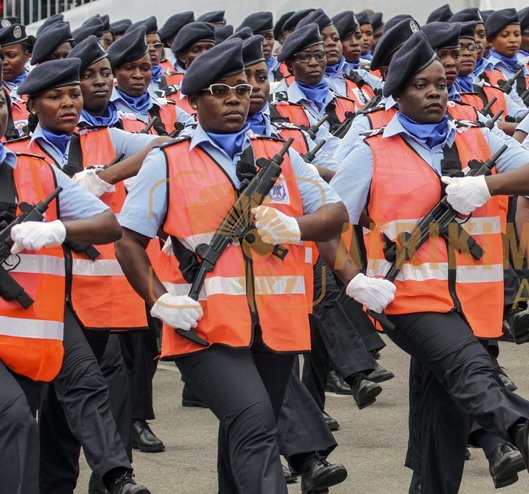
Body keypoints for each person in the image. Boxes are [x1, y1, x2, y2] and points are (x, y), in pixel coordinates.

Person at [327, 30, 529, 494]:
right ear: (397, 93)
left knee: (446, 416)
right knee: (468, 367)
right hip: (407, 297)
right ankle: (519, 424)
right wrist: (352, 279)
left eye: (440, 84)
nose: (434, 92)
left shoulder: (480, 137)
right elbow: (331, 223)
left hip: (474, 298)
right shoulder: (371, 150)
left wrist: (488, 187)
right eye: (420, 85)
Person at [115, 37, 348, 494]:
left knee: (241, 433)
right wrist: (160, 300)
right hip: (203, 324)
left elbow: (337, 213)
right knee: (256, 422)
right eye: (220, 91)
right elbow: (128, 240)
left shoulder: (279, 152)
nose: (235, 100)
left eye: (241, 91)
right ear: (196, 100)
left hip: (276, 325)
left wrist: (294, 227)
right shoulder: (168, 160)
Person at [8, 56, 151, 494]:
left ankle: (115, 476)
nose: (70, 103)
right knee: (31, 409)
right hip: (25, 300)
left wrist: (103, 178)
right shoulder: (23, 154)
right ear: (29, 106)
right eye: (57, 96)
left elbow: (166, 145)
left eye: (74, 94)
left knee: (85, 386)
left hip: (84, 298)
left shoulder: (98, 141)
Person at [108, 26, 194, 135]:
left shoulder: (166, 108)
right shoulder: (105, 112)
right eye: (129, 68)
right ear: (114, 72)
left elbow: (194, 129)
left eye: (145, 68)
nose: (138, 75)